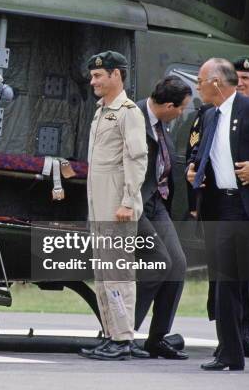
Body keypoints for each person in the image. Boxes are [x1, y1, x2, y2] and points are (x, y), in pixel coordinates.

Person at [187, 58, 249, 372]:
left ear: (215, 82)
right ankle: (230, 352)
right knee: (225, 283)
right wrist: (195, 171)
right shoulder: (210, 115)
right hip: (223, 207)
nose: (197, 87)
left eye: (200, 81)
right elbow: (208, 154)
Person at [80, 51, 148, 361]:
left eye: (98, 76)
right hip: (99, 207)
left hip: (117, 208)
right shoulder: (101, 111)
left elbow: (136, 159)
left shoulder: (128, 111)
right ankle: (110, 335)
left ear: (116, 75)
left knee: (119, 273)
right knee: (104, 273)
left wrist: (128, 201)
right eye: (92, 76)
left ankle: (123, 339)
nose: (92, 80)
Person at [134, 76, 192, 360]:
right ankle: (123, 334)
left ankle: (157, 338)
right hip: (133, 203)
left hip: (156, 202)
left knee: (177, 264)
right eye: (181, 108)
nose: (182, 113)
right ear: (169, 105)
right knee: (159, 262)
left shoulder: (162, 124)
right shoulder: (133, 117)